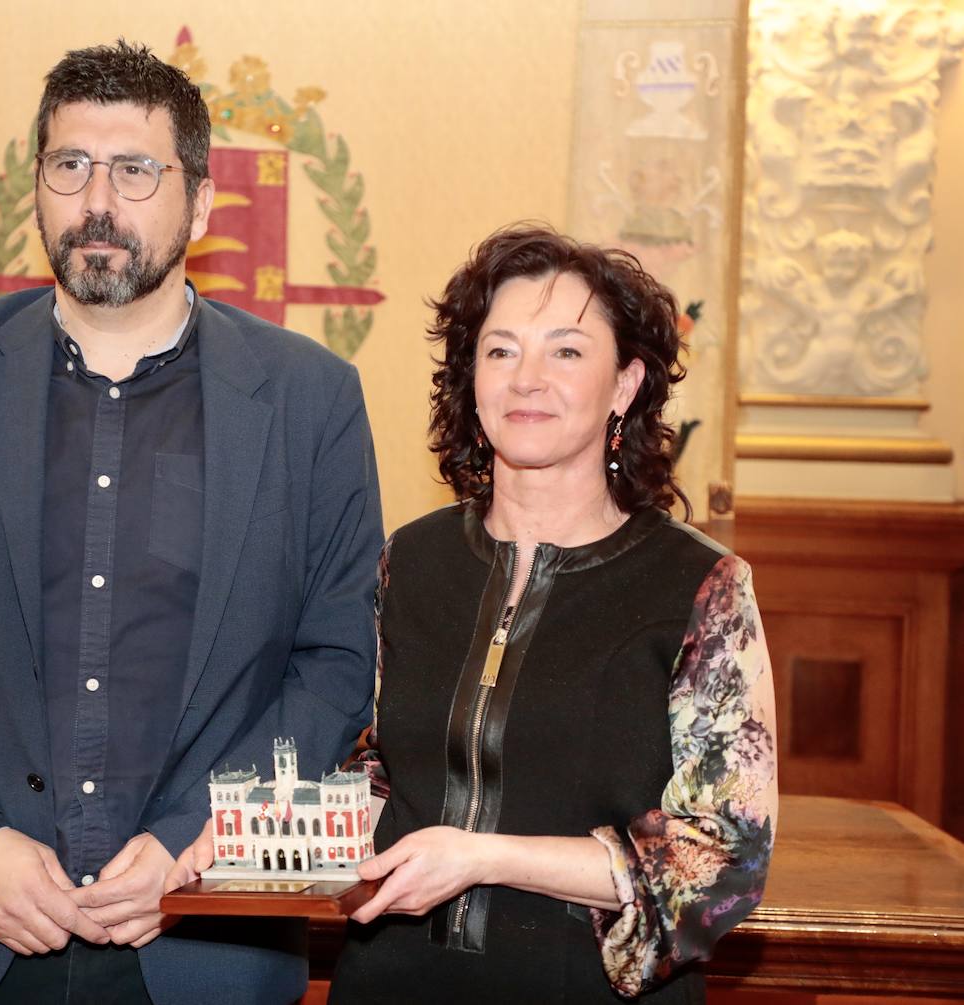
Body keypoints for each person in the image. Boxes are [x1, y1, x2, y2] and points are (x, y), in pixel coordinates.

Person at [0, 40, 381, 1005]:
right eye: (69, 165)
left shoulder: (309, 397)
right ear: (38, 186)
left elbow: (335, 663)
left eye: (136, 170)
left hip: (204, 937)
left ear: (200, 203)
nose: (97, 201)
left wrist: (197, 842)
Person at [317, 225, 776, 1001]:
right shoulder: (412, 559)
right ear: (471, 378)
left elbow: (725, 859)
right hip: (395, 976)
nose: (527, 379)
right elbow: (388, 764)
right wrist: (262, 833)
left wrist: (484, 856)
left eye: (566, 351)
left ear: (625, 385)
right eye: (501, 351)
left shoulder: (703, 584)